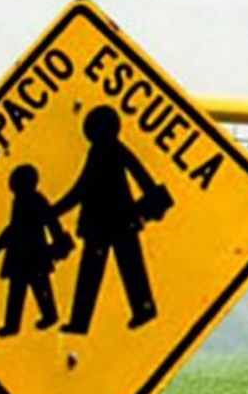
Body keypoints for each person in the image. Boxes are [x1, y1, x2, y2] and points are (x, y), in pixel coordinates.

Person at [53, 105, 171, 335]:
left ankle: (85, 321)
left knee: (98, 271)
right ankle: (140, 309)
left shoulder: (104, 151)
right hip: (118, 220)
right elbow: (138, 173)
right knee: (124, 266)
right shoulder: (108, 150)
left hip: (106, 222)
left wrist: (54, 211)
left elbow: (82, 188)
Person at [0, 164, 72, 337]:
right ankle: (13, 325)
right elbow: (14, 227)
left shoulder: (34, 200)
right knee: (18, 290)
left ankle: (48, 316)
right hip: (21, 253)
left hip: (33, 252)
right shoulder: (20, 201)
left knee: (39, 287)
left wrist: (58, 239)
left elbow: (49, 221)